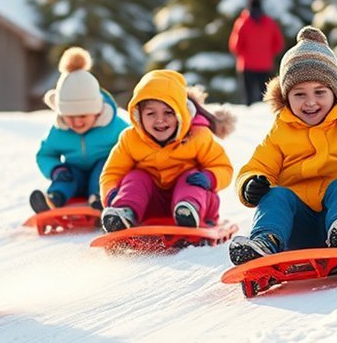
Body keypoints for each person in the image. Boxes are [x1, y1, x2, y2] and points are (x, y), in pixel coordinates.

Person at [228, 26, 337, 265]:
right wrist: (250, 184)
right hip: (302, 229)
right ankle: (265, 241)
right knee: (276, 195)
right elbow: (256, 166)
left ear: (335, 92)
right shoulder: (280, 132)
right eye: (299, 94)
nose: (310, 102)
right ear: (286, 97)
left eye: (320, 92)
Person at [99, 69, 236, 232]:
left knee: (190, 177)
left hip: (196, 202)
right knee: (136, 176)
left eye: (168, 113)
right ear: (138, 115)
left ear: (181, 114)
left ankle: (188, 213)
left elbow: (223, 167)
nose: (160, 120)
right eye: (151, 113)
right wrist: (112, 194)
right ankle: (125, 212)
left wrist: (210, 177)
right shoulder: (130, 139)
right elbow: (112, 172)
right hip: (148, 205)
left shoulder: (198, 136)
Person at [31, 47, 129, 213]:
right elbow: (45, 154)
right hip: (75, 176)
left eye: (83, 115)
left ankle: (100, 199)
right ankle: (54, 199)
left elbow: (133, 146)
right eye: (69, 116)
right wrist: (56, 169)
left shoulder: (114, 126)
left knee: (104, 167)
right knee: (66, 175)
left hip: (103, 176)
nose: (76, 122)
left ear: (97, 110)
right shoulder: (59, 131)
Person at [229, 0, 285, 105]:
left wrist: (245, 55)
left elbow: (235, 46)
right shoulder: (270, 23)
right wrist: (268, 54)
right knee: (265, 98)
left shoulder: (242, 23)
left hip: (246, 66)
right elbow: (279, 44)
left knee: (248, 99)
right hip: (265, 65)